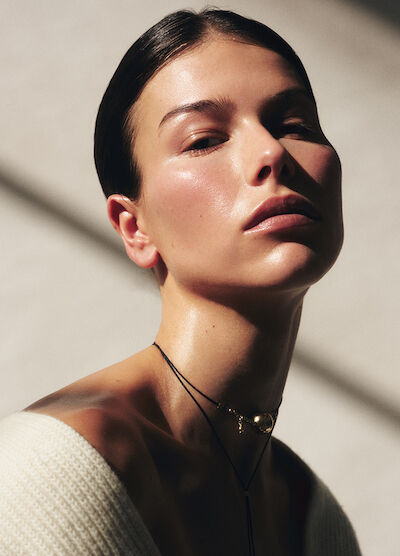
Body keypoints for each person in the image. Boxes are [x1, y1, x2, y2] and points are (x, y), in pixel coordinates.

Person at [0, 8, 361, 556]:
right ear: (134, 227)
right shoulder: (48, 473)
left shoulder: (315, 519)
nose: (272, 153)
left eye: (295, 126)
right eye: (204, 139)